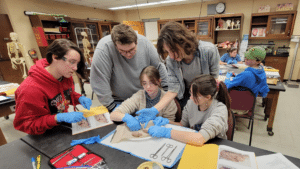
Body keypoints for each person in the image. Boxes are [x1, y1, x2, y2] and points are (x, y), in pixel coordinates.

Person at [136, 21, 220, 125]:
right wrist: (154, 109)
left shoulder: (208, 51)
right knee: (189, 124)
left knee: (206, 124)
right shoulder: (171, 61)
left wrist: (204, 104)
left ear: (183, 41)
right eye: (167, 51)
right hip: (187, 95)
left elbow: (213, 81)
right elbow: (173, 89)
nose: (171, 56)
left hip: (206, 94)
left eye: (172, 50)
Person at [13, 39, 92, 135]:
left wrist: (79, 98)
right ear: (55, 57)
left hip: (62, 128)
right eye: (72, 62)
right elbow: (25, 124)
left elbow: (66, 94)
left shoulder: (64, 76)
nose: (75, 68)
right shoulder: (30, 89)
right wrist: (57, 118)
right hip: (44, 134)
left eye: (77, 63)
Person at [90, 24, 168, 113]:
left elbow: (159, 67)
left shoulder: (145, 43)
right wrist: (111, 106)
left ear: (136, 42)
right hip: (118, 101)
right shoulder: (104, 48)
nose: (128, 54)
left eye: (131, 49)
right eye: (122, 51)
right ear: (115, 45)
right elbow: (99, 80)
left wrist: (166, 92)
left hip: (145, 96)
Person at [145, 74, 230, 146]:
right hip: (194, 144)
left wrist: (166, 132)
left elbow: (199, 138)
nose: (190, 97)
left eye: (195, 95)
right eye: (191, 93)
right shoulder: (191, 103)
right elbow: (183, 125)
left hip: (213, 147)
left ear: (208, 97)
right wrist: (167, 121)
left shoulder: (220, 110)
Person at [110, 66, 177, 131]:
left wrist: (165, 122)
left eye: (151, 83)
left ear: (159, 81)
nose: (148, 87)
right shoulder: (139, 96)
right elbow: (113, 115)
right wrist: (126, 118)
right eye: (144, 83)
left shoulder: (168, 100)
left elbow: (172, 126)